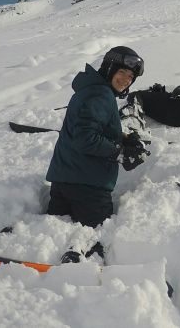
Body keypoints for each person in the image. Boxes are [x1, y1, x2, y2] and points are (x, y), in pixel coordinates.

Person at [45, 46, 149, 230]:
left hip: (64, 181)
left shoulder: (89, 90)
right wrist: (120, 152)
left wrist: (122, 138)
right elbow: (86, 138)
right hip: (88, 188)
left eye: (131, 76)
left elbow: (86, 129)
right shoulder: (101, 95)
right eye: (122, 72)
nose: (126, 80)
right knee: (95, 237)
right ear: (109, 68)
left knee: (52, 233)